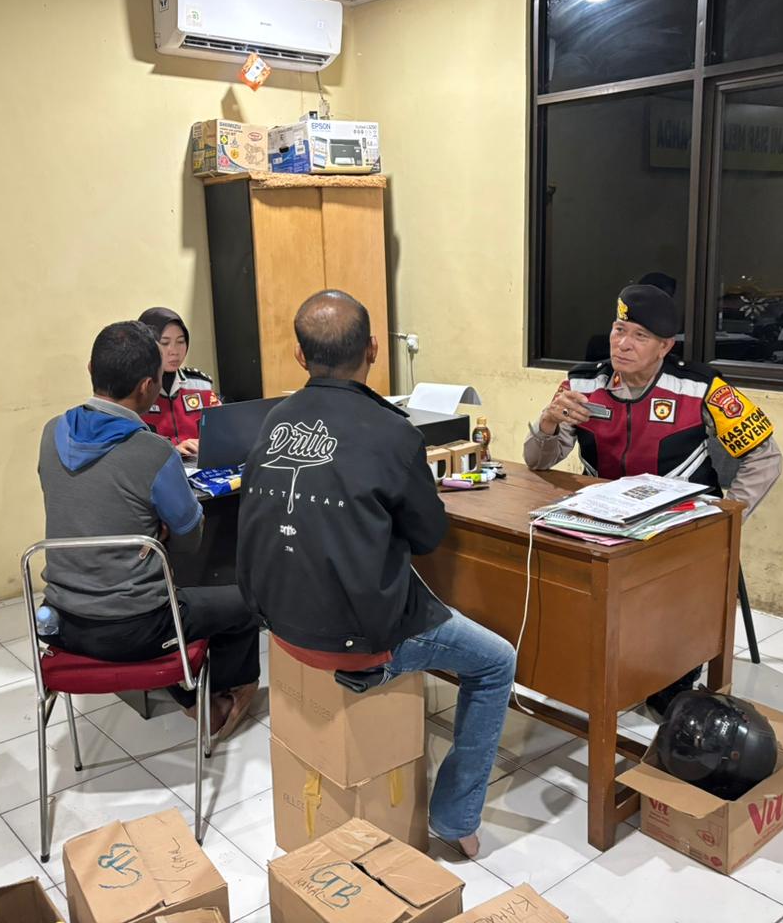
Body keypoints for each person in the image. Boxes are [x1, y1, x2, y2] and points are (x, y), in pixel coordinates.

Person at [236, 290, 516, 859]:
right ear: (372, 350)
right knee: (495, 662)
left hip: (279, 624)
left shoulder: (272, 421)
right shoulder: (394, 433)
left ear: (299, 356)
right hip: (358, 641)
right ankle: (455, 818)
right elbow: (429, 536)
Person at [524, 283, 783, 712]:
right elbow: (537, 461)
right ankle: (581, 659)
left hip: (676, 528)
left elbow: (765, 458)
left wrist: (724, 516)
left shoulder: (703, 387)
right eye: (619, 329)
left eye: (640, 336)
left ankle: (670, 671)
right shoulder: (583, 381)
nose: (623, 344)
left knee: (668, 627)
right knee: (543, 562)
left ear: (665, 346)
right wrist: (549, 422)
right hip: (603, 522)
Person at [37, 320, 259, 736]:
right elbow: (191, 540)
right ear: (147, 387)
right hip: (135, 628)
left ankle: (187, 693)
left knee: (167, 601)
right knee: (246, 601)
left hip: (61, 622)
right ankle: (216, 701)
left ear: (91, 369)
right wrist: (159, 530)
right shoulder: (153, 452)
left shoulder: (51, 433)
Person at [138, 307, 221, 460]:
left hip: (201, 468)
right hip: (159, 469)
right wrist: (173, 450)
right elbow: (131, 449)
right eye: (165, 343)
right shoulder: (135, 391)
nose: (174, 351)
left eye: (180, 342)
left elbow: (222, 430)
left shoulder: (201, 384)